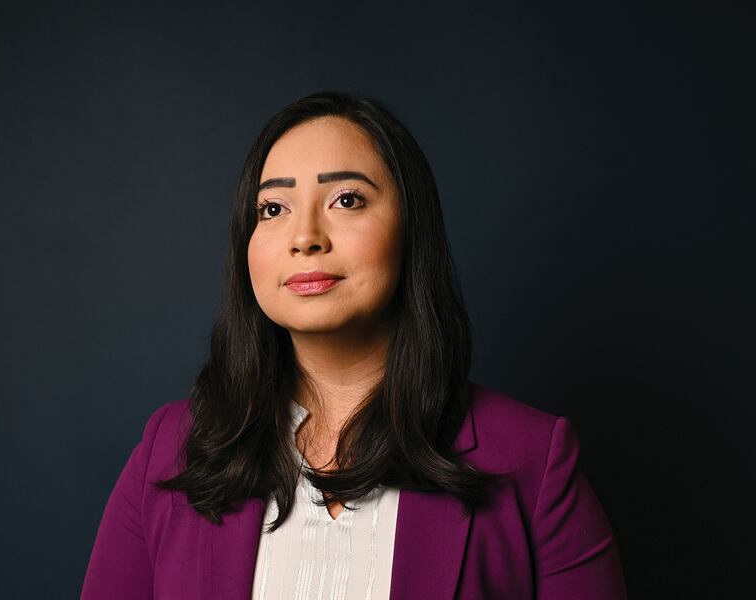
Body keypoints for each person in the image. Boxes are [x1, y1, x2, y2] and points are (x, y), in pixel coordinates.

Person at [80, 90, 628, 599]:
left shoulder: (534, 460)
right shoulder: (169, 449)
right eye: (273, 209)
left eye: (346, 199)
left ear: (411, 229)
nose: (305, 237)